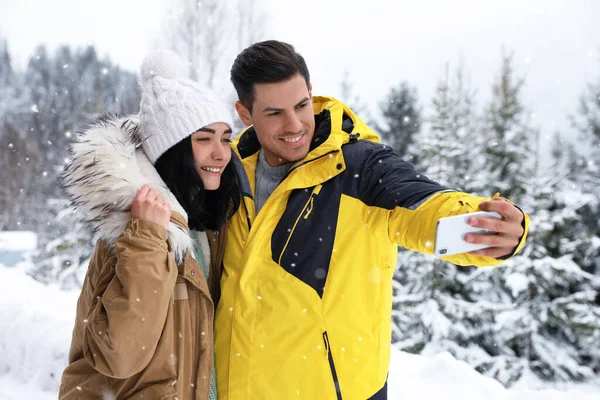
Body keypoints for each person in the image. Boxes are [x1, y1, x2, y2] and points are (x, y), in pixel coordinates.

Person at [214, 40, 530, 400]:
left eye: (302, 105)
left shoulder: (360, 168)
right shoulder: (227, 172)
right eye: (274, 113)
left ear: (311, 93)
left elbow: (423, 205)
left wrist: (488, 227)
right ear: (244, 112)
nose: (294, 125)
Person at [59, 50, 239, 400]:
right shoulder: (132, 232)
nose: (221, 153)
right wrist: (145, 242)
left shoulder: (204, 228)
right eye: (204, 139)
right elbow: (120, 353)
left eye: (225, 138)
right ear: (171, 150)